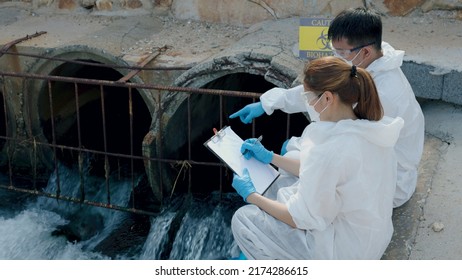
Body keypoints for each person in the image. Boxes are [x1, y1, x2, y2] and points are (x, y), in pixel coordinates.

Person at [229, 7, 424, 208]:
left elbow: (345, 153)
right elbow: (317, 92)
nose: (337, 57)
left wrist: (274, 158)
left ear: (365, 51)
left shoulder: (385, 94)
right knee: (292, 151)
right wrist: (268, 102)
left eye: (341, 52)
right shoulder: (365, 62)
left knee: (292, 162)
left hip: (386, 183)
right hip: (359, 155)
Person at [231, 56, 404, 260]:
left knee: (243, 219)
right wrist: (270, 157)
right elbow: (321, 172)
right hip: (369, 238)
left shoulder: (330, 149)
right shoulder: (371, 128)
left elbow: (300, 218)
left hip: (343, 253)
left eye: (309, 98)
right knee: (285, 184)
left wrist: (251, 196)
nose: (308, 103)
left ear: (328, 98)